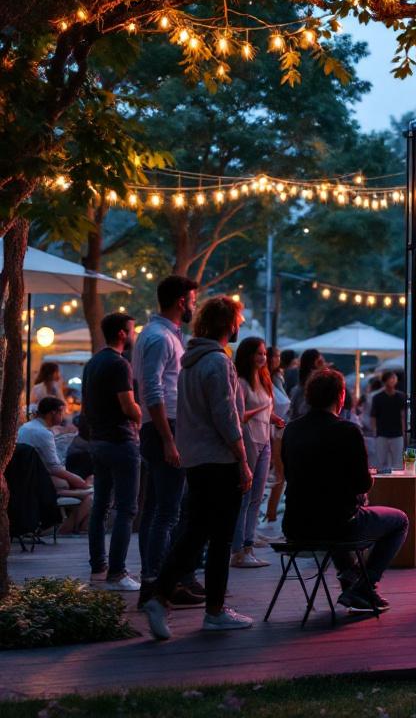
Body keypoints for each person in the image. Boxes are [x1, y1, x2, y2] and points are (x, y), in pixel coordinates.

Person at [139, 297, 251, 640]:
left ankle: (160, 594)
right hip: (219, 460)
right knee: (217, 537)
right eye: (238, 319)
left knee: (196, 531)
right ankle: (212, 610)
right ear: (226, 323)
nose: (241, 324)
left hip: (197, 460)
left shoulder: (191, 361)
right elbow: (225, 414)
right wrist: (242, 458)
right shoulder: (217, 362)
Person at [281, 368, 409, 612]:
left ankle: (354, 585)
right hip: (338, 525)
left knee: (338, 516)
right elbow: (362, 484)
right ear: (341, 397)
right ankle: (364, 586)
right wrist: (366, 482)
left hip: (295, 525)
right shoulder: (347, 430)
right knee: (399, 521)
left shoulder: (292, 430)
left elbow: (291, 475)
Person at [133, 274, 201, 604]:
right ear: (180, 302)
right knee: (168, 512)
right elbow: (152, 389)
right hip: (166, 428)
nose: (194, 306)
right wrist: (168, 439)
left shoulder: (159, 334)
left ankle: (158, 581)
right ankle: (157, 585)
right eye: (193, 300)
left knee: (157, 510)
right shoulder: (160, 337)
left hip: (163, 427)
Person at [82, 313, 142, 591]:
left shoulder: (93, 362)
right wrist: (141, 414)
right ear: (121, 333)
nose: (134, 335)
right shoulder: (120, 364)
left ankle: (99, 567)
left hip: (98, 442)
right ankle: (117, 573)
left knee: (101, 506)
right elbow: (128, 405)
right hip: (121, 440)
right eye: (132, 330)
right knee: (126, 508)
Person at [231, 337, 284, 568]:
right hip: (249, 440)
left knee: (256, 496)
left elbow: (265, 409)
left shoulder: (264, 380)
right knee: (245, 496)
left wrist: (273, 417)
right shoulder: (240, 382)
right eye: (259, 353)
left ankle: (249, 545)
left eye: (264, 353)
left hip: (265, 441)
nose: (263, 357)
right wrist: (263, 410)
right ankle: (238, 550)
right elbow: (238, 416)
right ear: (248, 355)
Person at [18, 397, 91, 532]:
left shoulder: (26, 427)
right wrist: (77, 480)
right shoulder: (43, 433)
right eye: (61, 412)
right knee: (91, 496)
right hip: (40, 484)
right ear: (53, 413)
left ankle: (73, 527)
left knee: (87, 484)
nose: (63, 416)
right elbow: (54, 468)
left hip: (28, 481)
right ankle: (68, 529)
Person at [265, 346, 291, 525]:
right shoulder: (265, 379)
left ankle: (271, 513)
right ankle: (270, 513)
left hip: (278, 430)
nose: (278, 359)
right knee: (278, 474)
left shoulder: (276, 378)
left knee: (280, 475)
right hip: (270, 431)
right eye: (276, 356)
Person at [370, 371, 408, 474]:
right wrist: (375, 430)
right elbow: (373, 415)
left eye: (394, 378)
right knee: (381, 461)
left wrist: (404, 432)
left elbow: (403, 415)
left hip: (397, 433)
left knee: (397, 462)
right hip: (382, 433)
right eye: (391, 378)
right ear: (385, 381)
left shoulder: (401, 396)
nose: (393, 380)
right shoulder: (377, 398)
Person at [287, 349, 326, 421]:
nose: (324, 364)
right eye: (320, 362)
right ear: (315, 363)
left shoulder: (297, 389)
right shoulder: (315, 387)